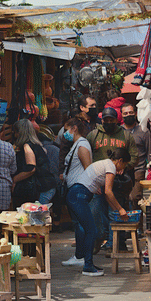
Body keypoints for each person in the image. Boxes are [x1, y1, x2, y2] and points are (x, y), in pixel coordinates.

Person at [64, 149, 131, 276]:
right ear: (120, 161)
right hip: (79, 196)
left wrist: (117, 210)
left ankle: (82, 259)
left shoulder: (105, 163)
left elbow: (106, 195)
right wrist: (121, 209)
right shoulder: (111, 166)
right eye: (124, 165)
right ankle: (87, 266)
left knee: (83, 228)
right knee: (92, 231)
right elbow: (108, 192)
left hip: (75, 194)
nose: (123, 168)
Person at [87, 107, 138, 249]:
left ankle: (114, 243)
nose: (108, 122)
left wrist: (124, 167)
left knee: (114, 212)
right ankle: (101, 237)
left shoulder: (126, 136)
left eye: (111, 120)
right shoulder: (93, 135)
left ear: (117, 120)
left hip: (118, 182)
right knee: (95, 211)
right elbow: (85, 156)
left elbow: (134, 156)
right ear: (102, 120)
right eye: (106, 120)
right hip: (98, 181)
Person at [60, 119, 93, 266]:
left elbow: (88, 168)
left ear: (74, 128)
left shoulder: (82, 145)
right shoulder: (77, 145)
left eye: (66, 129)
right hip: (74, 188)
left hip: (79, 190)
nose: (65, 133)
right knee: (79, 224)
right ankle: (80, 255)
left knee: (82, 225)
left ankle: (82, 256)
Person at [12, 119, 57, 207]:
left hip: (43, 187)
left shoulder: (27, 146)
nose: (14, 135)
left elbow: (31, 168)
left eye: (15, 132)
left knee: (38, 216)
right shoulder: (37, 145)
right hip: (47, 186)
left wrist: (14, 179)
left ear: (19, 133)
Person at [121, 103, 151, 203]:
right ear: (121, 115)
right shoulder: (118, 131)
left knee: (135, 198)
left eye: (130, 112)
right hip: (122, 171)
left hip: (138, 170)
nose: (128, 115)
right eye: (125, 113)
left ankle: (138, 218)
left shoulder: (143, 131)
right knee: (123, 199)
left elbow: (150, 152)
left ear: (135, 113)